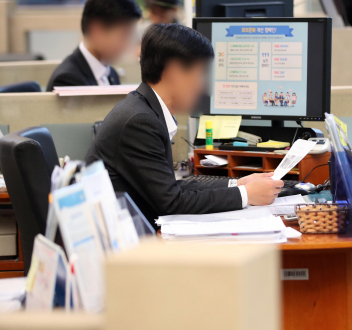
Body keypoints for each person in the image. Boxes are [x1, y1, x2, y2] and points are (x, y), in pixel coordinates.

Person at [85, 24, 283, 224]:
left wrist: (237, 184)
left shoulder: (143, 110)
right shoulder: (140, 121)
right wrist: (246, 195)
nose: (204, 86)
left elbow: (171, 189)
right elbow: (171, 202)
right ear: (173, 70)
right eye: (201, 73)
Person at [47, 0, 142, 91]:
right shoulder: (67, 80)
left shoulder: (111, 74)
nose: (127, 44)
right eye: (124, 35)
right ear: (96, 30)